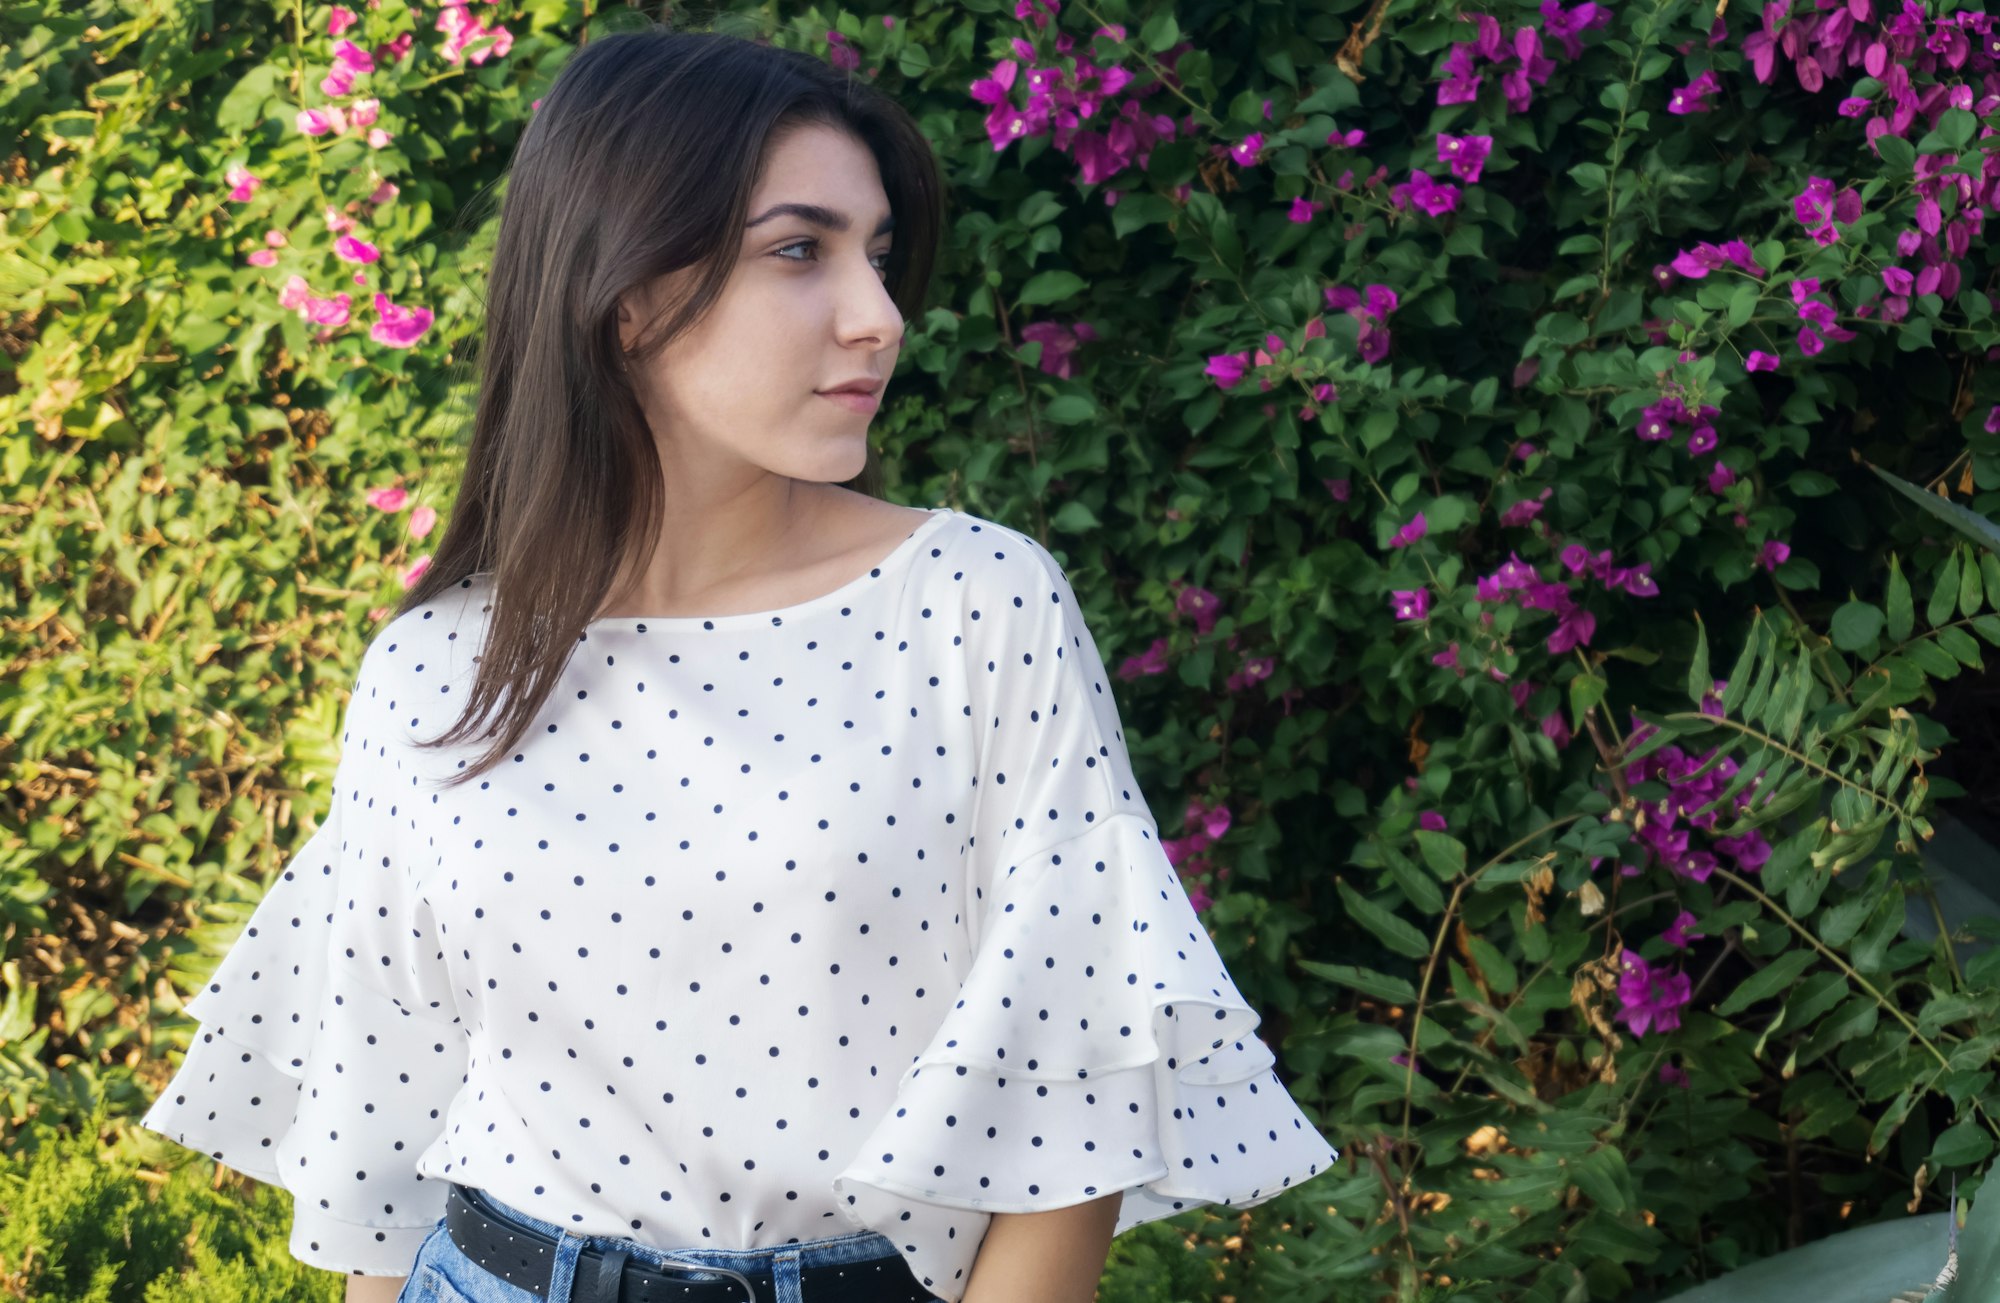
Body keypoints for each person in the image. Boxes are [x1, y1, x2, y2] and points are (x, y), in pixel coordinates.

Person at [139, 22, 1338, 1303]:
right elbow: (378, 1115)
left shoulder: (971, 606)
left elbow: (1074, 1068)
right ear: (627, 289)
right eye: (798, 251)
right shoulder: (437, 667)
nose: (877, 317)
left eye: (876, 257)